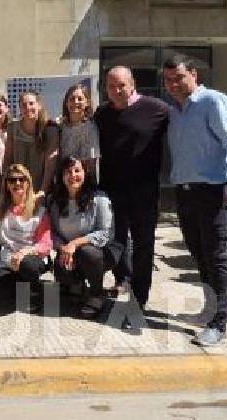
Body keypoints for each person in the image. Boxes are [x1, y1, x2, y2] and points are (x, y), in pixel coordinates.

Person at [163, 55, 227, 347]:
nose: (173, 84)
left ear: (194, 74)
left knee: (217, 258)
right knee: (199, 254)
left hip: (215, 191)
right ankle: (209, 309)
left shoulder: (213, 102)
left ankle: (219, 323)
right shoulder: (175, 111)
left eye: (179, 78)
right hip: (186, 192)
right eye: (168, 80)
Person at [93, 66, 170, 306]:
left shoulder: (157, 109)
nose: (116, 90)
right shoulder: (102, 113)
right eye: (111, 86)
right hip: (111, 190)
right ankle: (121, 280)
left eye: (121, 85)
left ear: (132, 83)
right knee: (114, 242)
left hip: (143, 192)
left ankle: (139, 299)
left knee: (143, 245)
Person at [48, 157, 115, 319]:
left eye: (77, 170)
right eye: (68, 172)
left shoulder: (99, 198)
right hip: (69, 251)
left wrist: (75, 244)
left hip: (99, 252)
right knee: (61, 270)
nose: (73, 175)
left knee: (88, 253)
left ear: (85, 173)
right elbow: (52, 232)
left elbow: (106, 233)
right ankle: (77, 286)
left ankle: (96, 294)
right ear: (62, 176)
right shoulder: (56, 201)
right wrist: (63, 248)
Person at [0, 164, 51, 313]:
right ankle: (22, 287)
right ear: (6, 184)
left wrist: (24, 253)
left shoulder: (39, 209)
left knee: (27, 266)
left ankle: (34, 291)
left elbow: (45, 244)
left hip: (31, 257)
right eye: (12, 180)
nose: (17, 183)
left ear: (28, 183)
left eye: (21, 179)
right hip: (8, 260)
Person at [3, 91, 60, 194]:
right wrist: (7, 187)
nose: (28, 107)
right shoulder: (12, 128)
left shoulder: (50, 129)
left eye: (31, 104)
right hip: (18, 189)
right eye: (24, 105)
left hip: (41, 189)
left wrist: (42, 192)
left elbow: (50, 164)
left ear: (39, 105)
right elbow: (8, 158)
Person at [58, 82, 99, 176]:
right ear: (66, 103)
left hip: (83, 179)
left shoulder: (91, 127)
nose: (75, 102)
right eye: (72, 99)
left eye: (80, 99)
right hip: (62, 177)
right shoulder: (60, 126)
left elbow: (92, 160)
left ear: (87, 102)